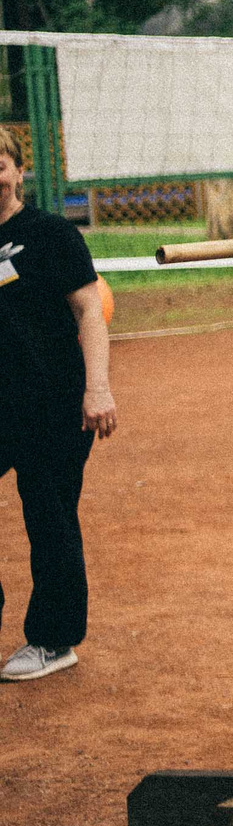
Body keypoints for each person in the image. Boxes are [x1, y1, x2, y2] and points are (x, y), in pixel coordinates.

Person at [0, 127, 115, 683]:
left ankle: (52, 640)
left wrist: (99, 388)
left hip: (51, 402)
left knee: (48, 517)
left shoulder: (49, 234)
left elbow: (90, 312)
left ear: (18, 170)